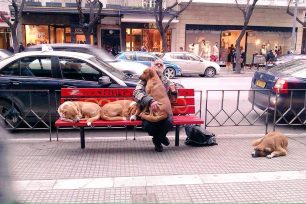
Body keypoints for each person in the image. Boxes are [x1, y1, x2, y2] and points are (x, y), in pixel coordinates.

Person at [133, 60, 177, 152]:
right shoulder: (144, 78)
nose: (159, 65)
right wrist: (150, 101)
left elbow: (173, 100)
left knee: (168, 122)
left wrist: (174, 92)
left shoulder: (166, 80)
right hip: (147, 110)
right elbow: (136, 93)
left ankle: (157, 140)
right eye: (157, 64)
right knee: (149, 125)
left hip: (163, 110)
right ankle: (160, 138)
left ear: (163, 67)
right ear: (152, 66)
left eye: (161, 64)